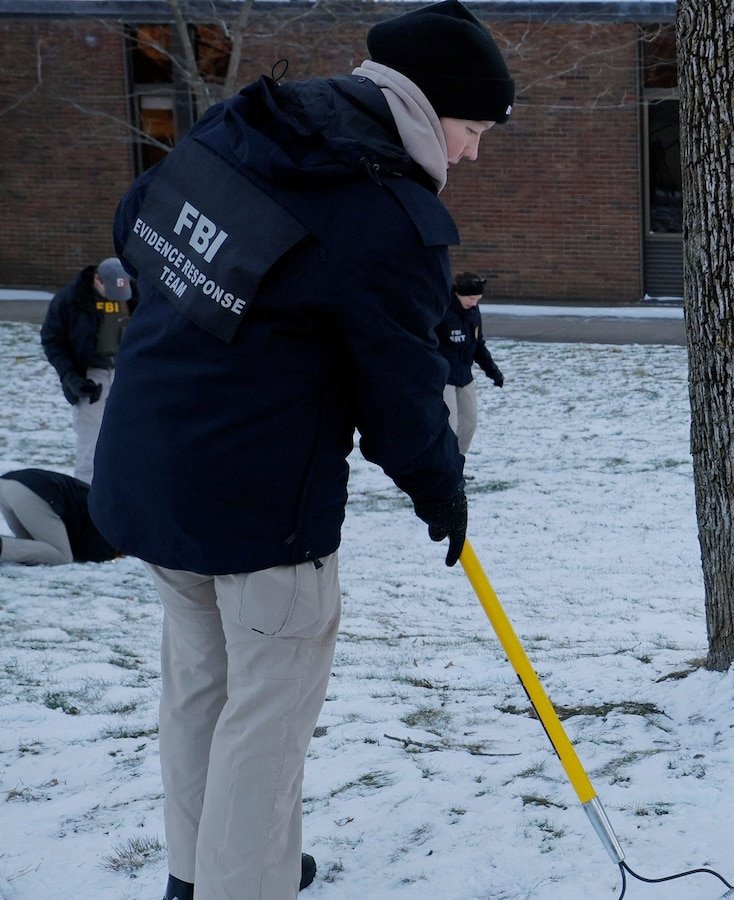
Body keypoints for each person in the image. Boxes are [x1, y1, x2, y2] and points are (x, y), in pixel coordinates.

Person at [88, 2, 513, 898]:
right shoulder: (391, 220)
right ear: (425, 106)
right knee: (266, 722)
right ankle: (244, 884)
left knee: (201, 690)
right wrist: (443, 491)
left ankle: (198, 873)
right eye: (472, 128)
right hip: (261, 514)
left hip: (148, 473)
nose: (473, 154)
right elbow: (403, 403)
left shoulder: (243, 128)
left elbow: (135, 228)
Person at [40, 257, 135, 483]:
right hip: (92, 375)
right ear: (97, 280)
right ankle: (85, 498)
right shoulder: (71, 300)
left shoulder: (135, 296)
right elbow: (52, 340)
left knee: (130, 439)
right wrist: (70, 377)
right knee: (91, 444)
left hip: (127, 373)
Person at [437, 271, 505, 459]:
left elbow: (478, 345)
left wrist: (493, 372)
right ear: (458, 294)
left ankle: (457, 462)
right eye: (471, 298)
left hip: (465, 376)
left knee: (469, 422)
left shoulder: (474, 312)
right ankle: (444, 464)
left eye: (478, 298)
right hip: (444, 378)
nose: (474, 302)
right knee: (449, 424)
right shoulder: (443, 312)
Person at [0, 468, 119, 565]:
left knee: (35, 548)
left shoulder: (103, 507)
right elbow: (90, 552)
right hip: (34, 492)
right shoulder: (110, 529)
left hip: (9, 484)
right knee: (61, 556)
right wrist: (109, 553)